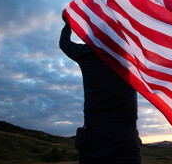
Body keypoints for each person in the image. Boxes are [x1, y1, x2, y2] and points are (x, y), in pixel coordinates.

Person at [59, 11, 142, 164]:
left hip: (94, 138)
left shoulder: (86, 54)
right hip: (125, 138)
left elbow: (64, 44)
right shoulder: (129, 56)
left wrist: (68, 23)